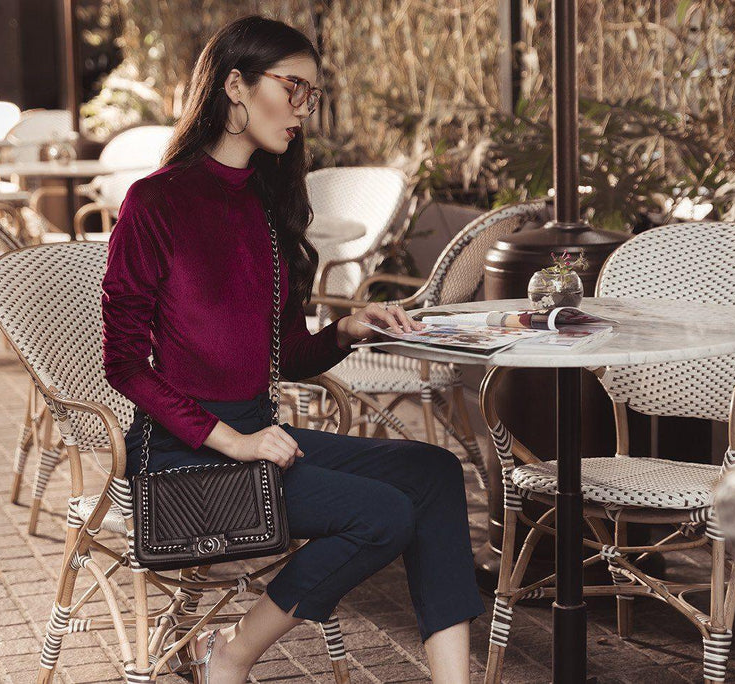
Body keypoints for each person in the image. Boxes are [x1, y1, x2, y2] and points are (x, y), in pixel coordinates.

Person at [101, 15, 485, 683]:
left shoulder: (269, 202)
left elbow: (284, 358)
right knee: (382, 515)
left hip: (258, 437)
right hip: (182, 458)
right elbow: (124, 363)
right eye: (294, 87)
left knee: (434, 473)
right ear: (236, 87)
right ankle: (232, 654)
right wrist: (233, 441)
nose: (306, 108)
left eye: (313, 93)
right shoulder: (155, 203)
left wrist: (344, 333)